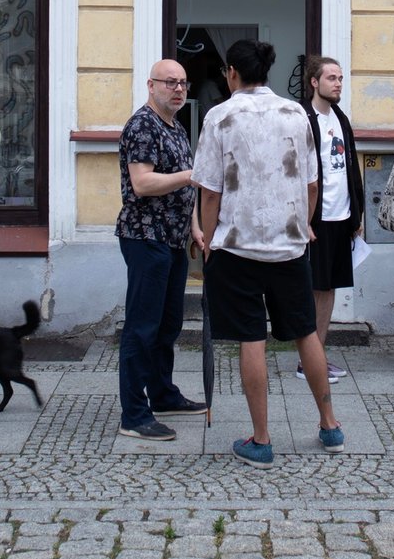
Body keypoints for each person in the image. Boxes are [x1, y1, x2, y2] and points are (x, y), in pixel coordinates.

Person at [191, 39, 345, 467]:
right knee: (305, 333)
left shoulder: (220, 116)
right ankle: (330, 425)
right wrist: (306, 224)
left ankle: (261, 439)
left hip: (238, 246)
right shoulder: (296, 113)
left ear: (231, 73)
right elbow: (313, 183)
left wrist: (207, 237)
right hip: (289, 245)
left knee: (250, 338)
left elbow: (209, 191)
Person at [113, 59, 206, 442]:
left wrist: (196, 229)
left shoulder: (176, 126)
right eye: (170, 83)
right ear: (151, 85)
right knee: (142, 327)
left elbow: (187, 189)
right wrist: (191, 175)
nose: (178, 89)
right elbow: (142, 183)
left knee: (168, 324)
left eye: (183, 83)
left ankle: (163, 395)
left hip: (172, 238)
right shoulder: (142, 126)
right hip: (145, 237)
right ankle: (134, 414)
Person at [297, 54, 365, 385]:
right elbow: (295, 172)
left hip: (341, 216)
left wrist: (357, 215)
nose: (338, 83)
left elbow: (351, 168)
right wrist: (303, 218)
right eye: (331, 78)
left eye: (340, 78)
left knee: (329, 288)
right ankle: (306, 360)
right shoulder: (303, 119)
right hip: (316, 218)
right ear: (314, 82)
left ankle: (317, 354)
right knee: (314, 288)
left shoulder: (340, 118)